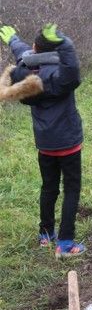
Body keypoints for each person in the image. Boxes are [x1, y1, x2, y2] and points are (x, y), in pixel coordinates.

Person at [0, 22, 85, 256]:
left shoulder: (23, 73)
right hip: (68, 143)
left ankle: (45, 235)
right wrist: (64, 42)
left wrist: (13, 40)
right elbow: (72, 67)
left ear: (35, 48)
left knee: (48, 187)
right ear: (54, 51)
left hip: (45, 145)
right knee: (71, 189)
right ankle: (66, 244)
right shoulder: (61, 77)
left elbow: (24, 53)